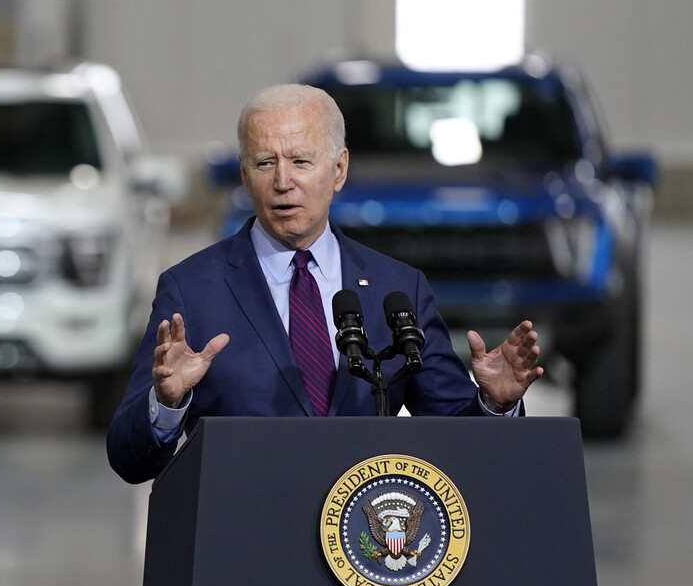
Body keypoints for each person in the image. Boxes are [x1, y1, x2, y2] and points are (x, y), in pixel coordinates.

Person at [107, 84, 542, 484]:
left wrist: (495, 404)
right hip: (241, 544)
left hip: (365, 551)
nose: (282, 182)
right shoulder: (192, 291)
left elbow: (458, 440)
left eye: (300, 161)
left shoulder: (398, 290)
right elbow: (129, 459)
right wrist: (166, 405)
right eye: (265, 163)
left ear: (338, 169)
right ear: (244, 176)